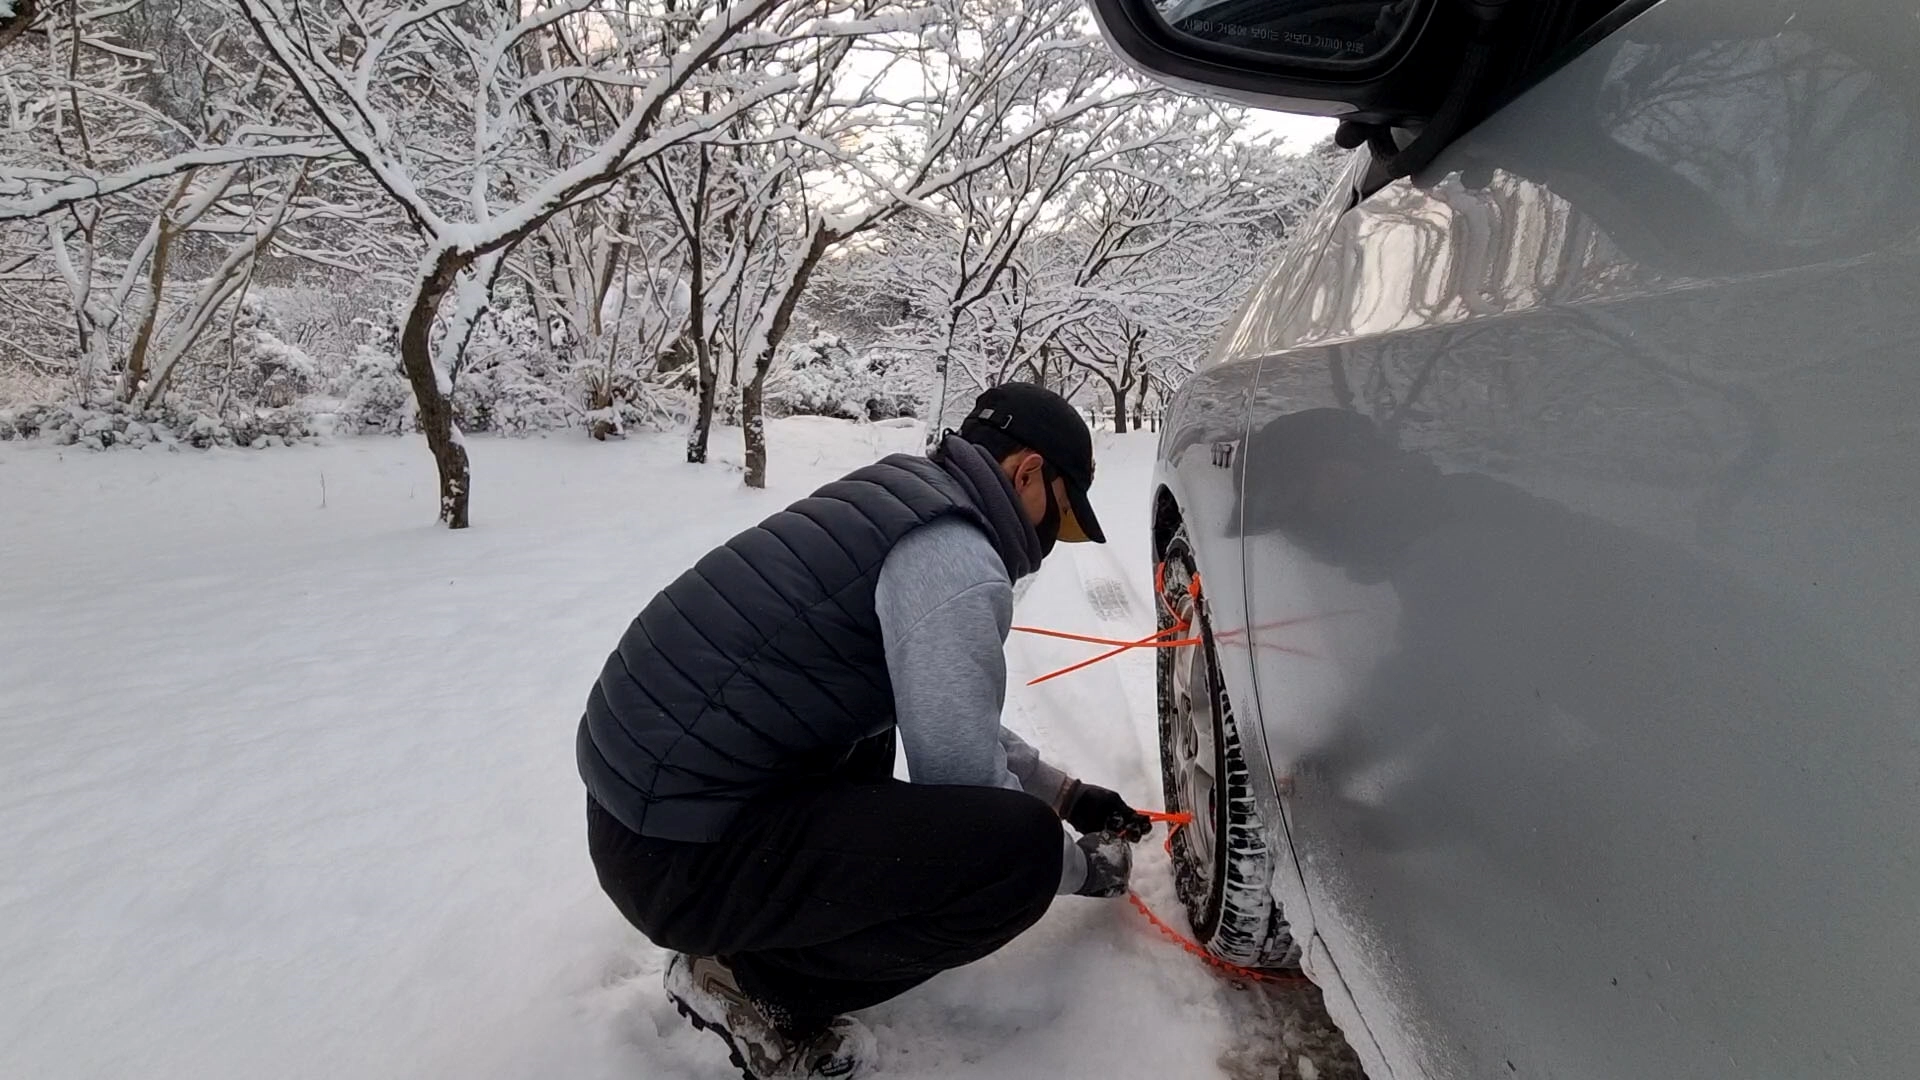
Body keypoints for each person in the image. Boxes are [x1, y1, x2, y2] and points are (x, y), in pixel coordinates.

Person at [577, 383, 1155, 1080]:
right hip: (676, 859)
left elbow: (946, 705)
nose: (1049, 544)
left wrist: (1066, 795)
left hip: (642, 815)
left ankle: (748, 934)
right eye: (1059, 521)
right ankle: (749, 984)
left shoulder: (904, 494)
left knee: (876, 726)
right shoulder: (954, 558)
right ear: (1027, 471)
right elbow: (964, 777)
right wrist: (1080, 863)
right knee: (1016, 858)